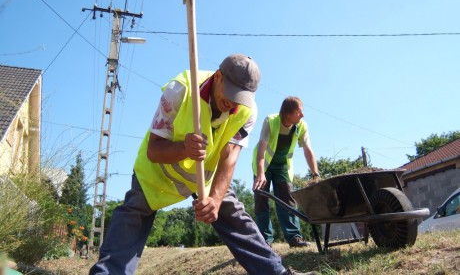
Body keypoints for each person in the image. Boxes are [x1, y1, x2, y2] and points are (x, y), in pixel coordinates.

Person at [89, 55, 316, 275]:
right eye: (230, 93)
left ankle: (276, 272)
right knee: (133, 214)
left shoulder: (248, 111)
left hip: (206, 177)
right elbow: (154, 150)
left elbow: (230, 156)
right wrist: (183, 149)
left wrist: (215, 200)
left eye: (240, 97)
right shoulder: (180, 90)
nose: (233, 103)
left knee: (234, 215)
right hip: (158, 172)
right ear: (218, 77)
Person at [252, 96, 320, 248]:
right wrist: (260, 173)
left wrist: (315, 173)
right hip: (264, 164)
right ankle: (265, 240)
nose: (302, 115)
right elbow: (262, 150)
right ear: (288, 113)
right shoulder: (270, 121)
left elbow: (308, 150)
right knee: (261, 199)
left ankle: (294, 237)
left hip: (282, 166)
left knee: (287, 199)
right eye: (299, 112)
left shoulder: (301, 126)